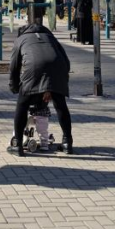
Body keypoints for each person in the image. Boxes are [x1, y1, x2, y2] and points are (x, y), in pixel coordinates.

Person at [9, 20, 73, 156]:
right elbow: (66, 62)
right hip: (58, 67)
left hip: (33, 68)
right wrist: (55, 86)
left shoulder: (20, 39)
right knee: (60, 105)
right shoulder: (50, 37)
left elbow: (14, 66)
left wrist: (15, 87)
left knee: (22, 105)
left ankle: (17, 145)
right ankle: (67, 143)